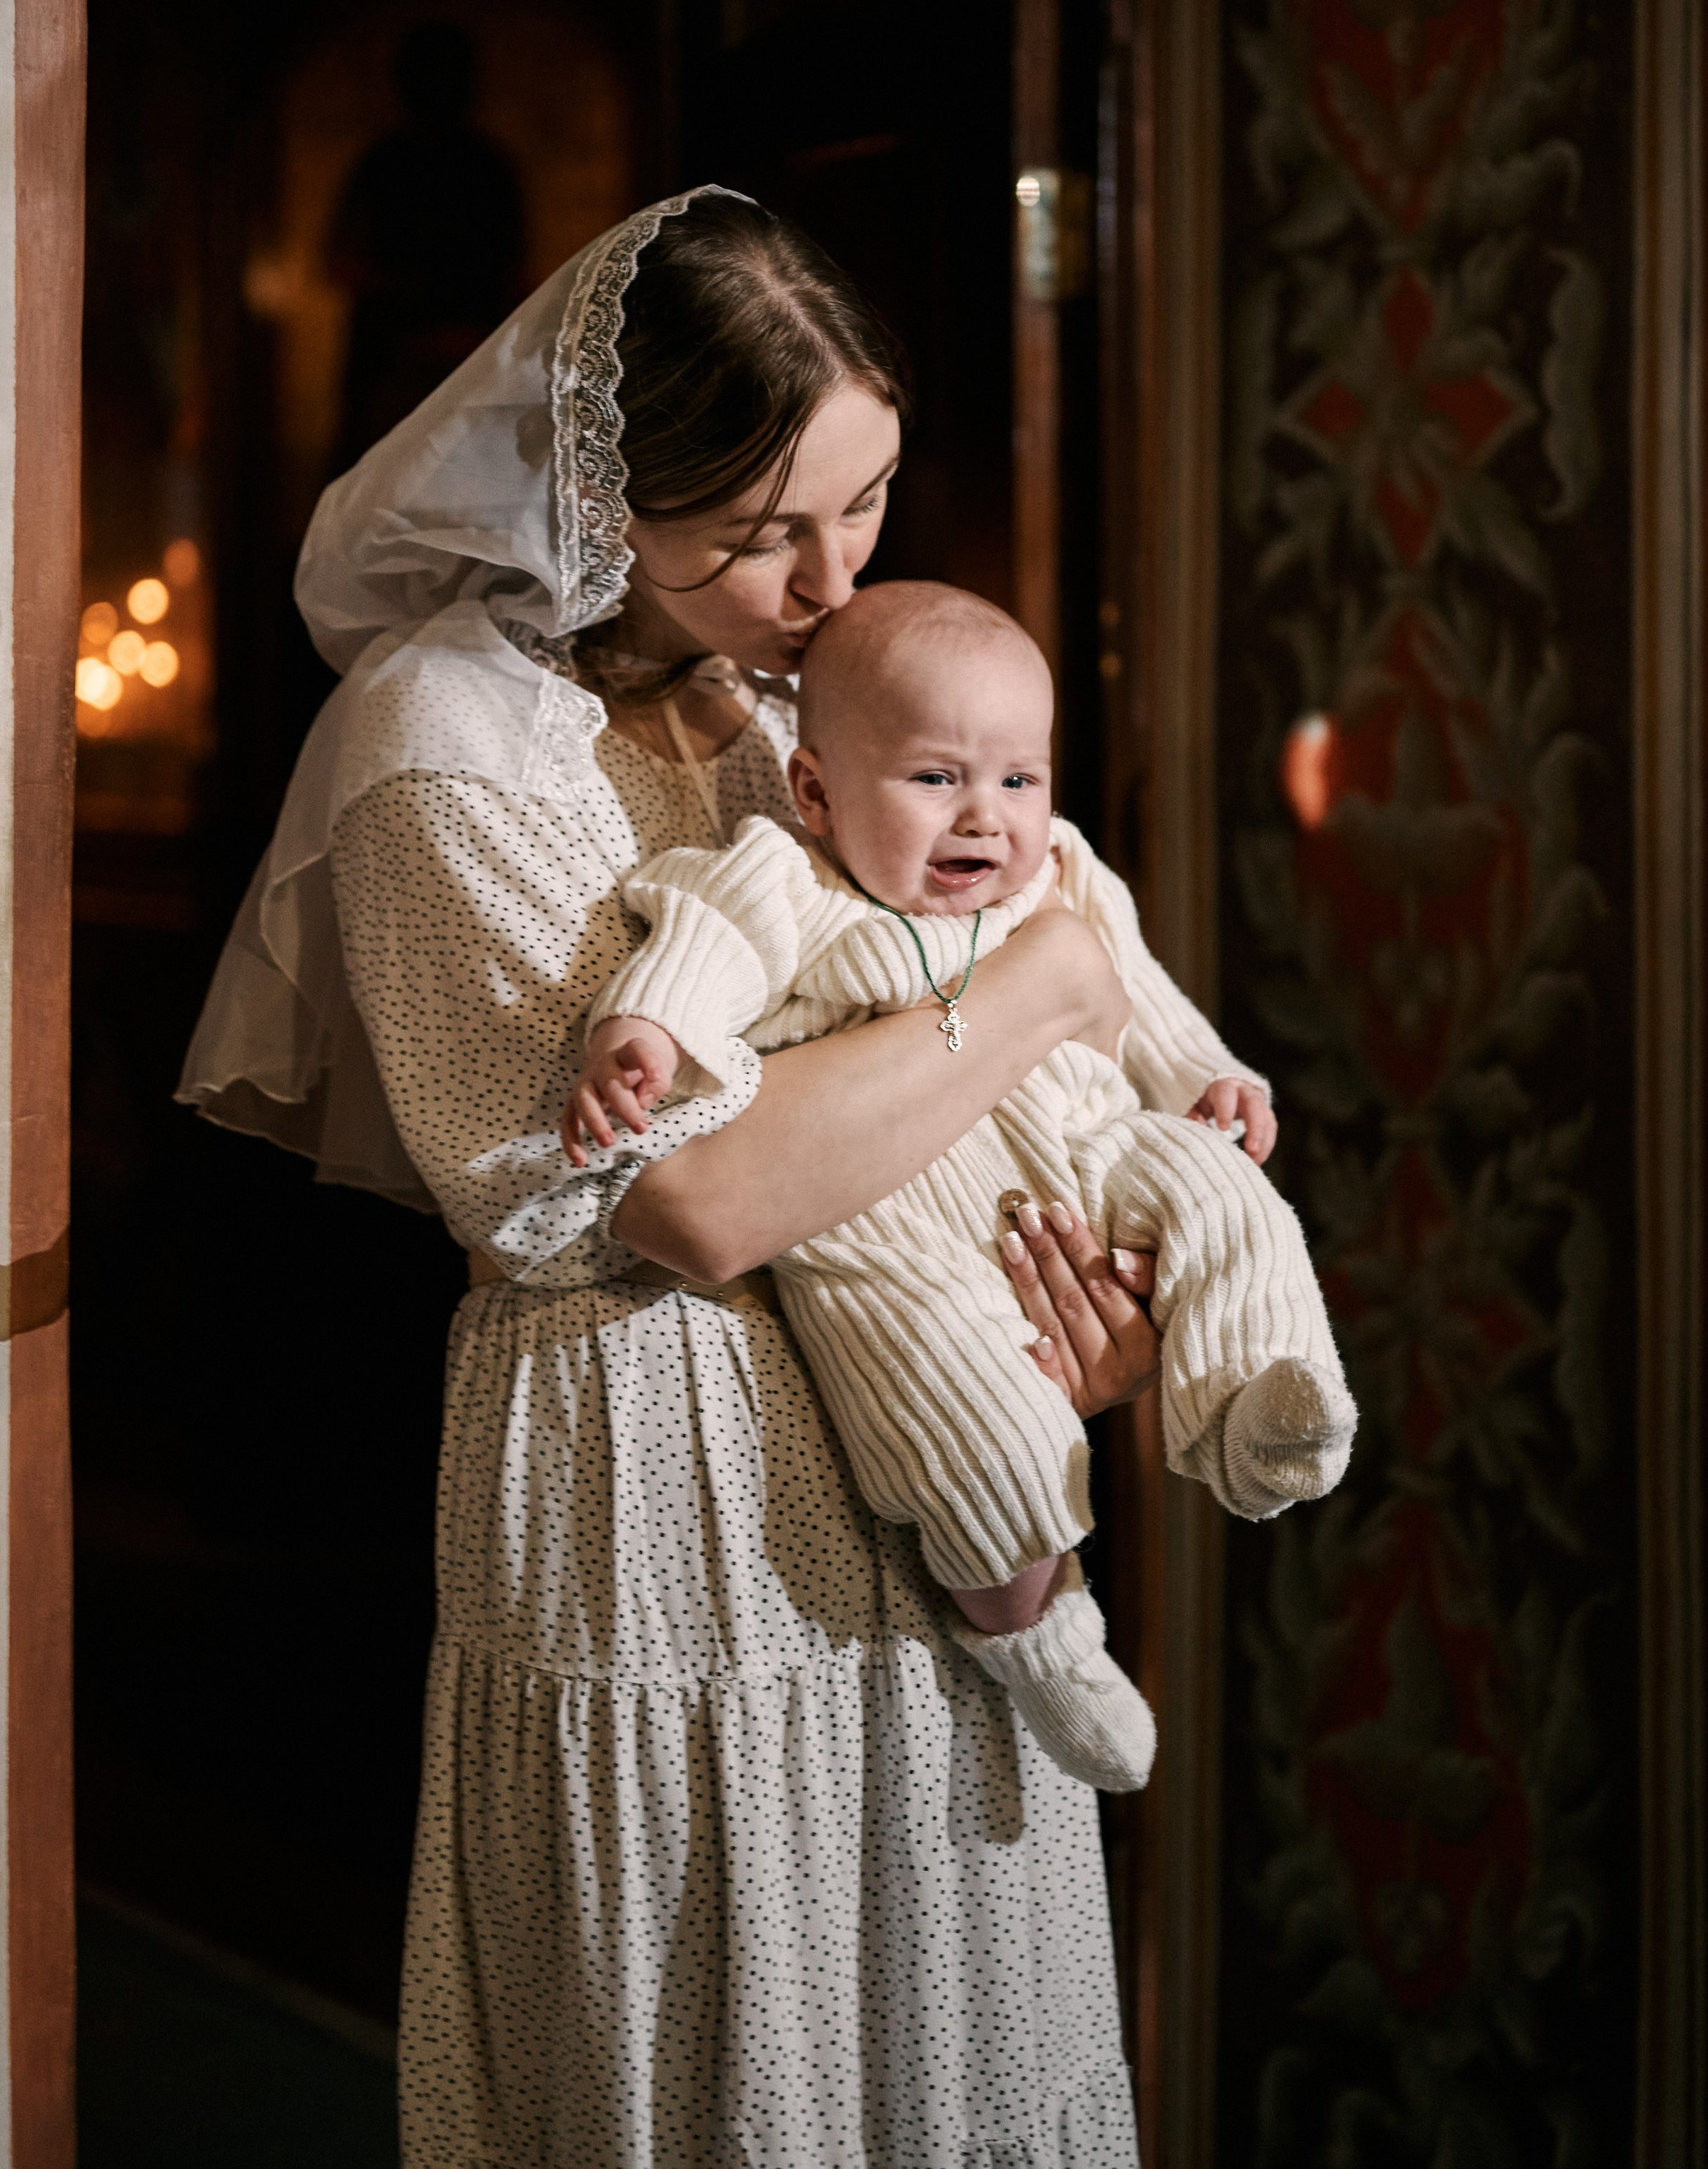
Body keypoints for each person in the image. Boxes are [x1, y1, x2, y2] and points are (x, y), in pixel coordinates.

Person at [181, 186, 1185, 2169]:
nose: (829, 580)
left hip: (934, 1494)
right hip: (661, 1486)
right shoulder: (440, 740)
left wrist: (1053, 1320)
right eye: (754, 534)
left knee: (964, 2047)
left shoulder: (820, 697)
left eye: (870, 500)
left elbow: (950, 1091)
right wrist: (1055, 982)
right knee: (723, 2089)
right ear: (597, 486)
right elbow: (688, 1201)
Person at [560, 579, 1354, 1792]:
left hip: (1078, 1146)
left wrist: (1216, 1077)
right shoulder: (786, 879)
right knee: (965, 1428)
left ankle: (1255, 1403)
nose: (985, 815)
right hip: (889, 1223)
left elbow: (1142, 1000)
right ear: (817, 789)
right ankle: (1041, 1637)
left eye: (1018, 781)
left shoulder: (1061, 879)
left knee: (1226, 1195)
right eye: (935, 779)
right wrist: (643, 1038)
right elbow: (698, 957)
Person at [325, 21, 527, 471]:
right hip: (391, 367)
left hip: (467, 366)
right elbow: (342, 262)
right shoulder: (382, 165)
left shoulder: (487, 169)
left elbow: (515, 275)